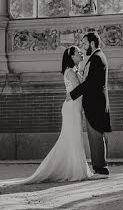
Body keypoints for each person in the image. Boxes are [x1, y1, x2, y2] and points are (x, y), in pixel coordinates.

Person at [11, 46, 93, 184]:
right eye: (78, 52)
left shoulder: (72, 71)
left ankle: (75, 169)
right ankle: (77, 171)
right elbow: (79, 90)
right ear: (72, 57)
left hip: (73, 107)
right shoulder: (71, 72)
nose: (81, 53)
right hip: (72, 108)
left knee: (72, 139)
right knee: (74, 138)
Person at [69, 32, 111, 175]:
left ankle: (101, 168)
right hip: (96, 103)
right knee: (96, 136)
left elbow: (90, 84)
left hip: (95, 104)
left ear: (92, 44)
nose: (84, 46)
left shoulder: (97, 58)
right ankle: (100, 166)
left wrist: (72, 94)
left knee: (95, 137)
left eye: (85, 44)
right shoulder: (97, 57)